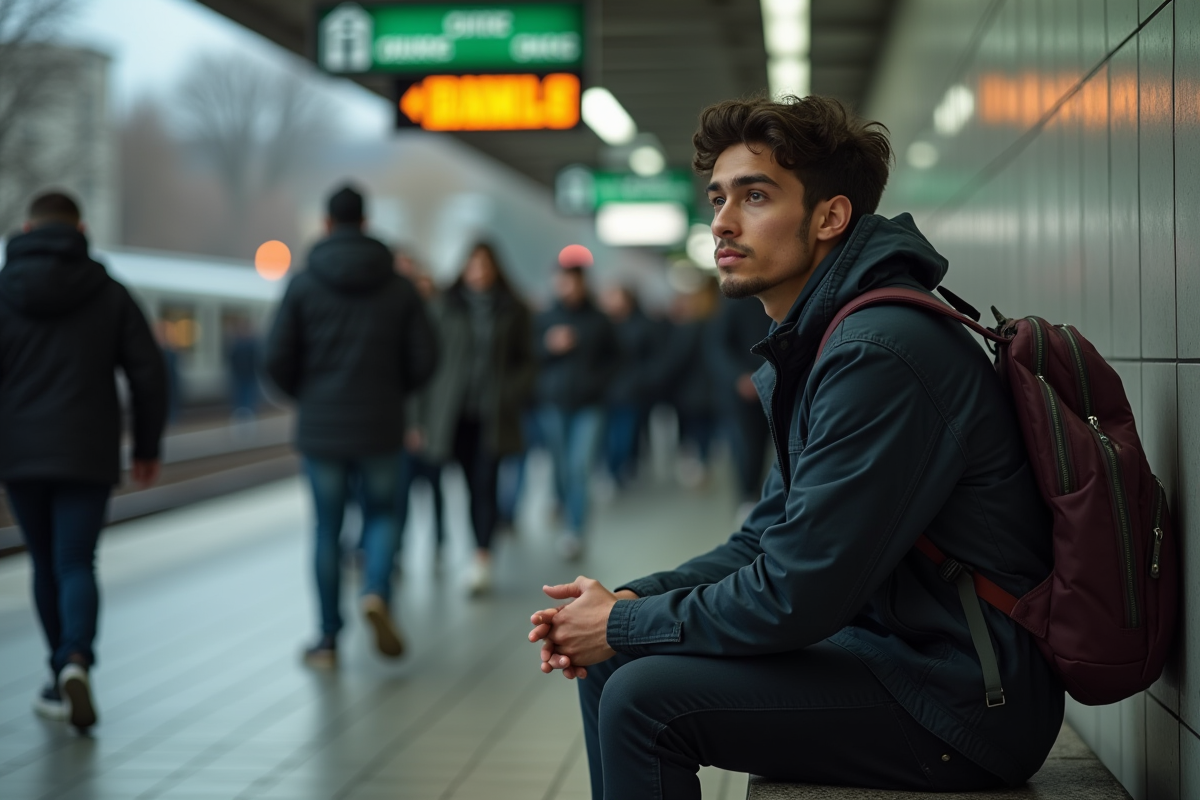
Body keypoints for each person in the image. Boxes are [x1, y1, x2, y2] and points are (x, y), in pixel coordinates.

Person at [528, 95, 1063, 799]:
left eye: (755, 196)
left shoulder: (880, 353)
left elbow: (796, 593)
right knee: (614, 664)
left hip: (967, 700)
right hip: (899, 653)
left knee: (643, 698)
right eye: (718, 197)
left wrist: (625, 622)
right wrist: (626, 602)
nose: (722, 220)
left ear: (830, 217)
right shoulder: (830, 341)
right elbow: (767, 540)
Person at [0, 191, 168, 732]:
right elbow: (148, 374)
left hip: (20, 451)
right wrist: (146, 446)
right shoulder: (109, 290)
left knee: (44, 563)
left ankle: (59, 670)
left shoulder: (4, 289)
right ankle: (76, 659)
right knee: (77, 560)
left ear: (27, 227)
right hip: (86, 448)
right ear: (82, 228)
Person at [265, 184, 437, 668]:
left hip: (323, 428)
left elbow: (275, 358)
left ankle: (326, 639)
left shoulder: (303, 283)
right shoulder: (399, 286)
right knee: (383, 513)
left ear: (326, 224)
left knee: (327, 528)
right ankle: (376, 589)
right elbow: (427, 358)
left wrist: (311, 396)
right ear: (366, 223)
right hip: (381, 423)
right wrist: (394, 391)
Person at [407, 242, 535, 595]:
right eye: (473, 266)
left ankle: (481, 557)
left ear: (495, 269)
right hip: (453, 414)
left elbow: (528, 359)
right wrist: (417, 418)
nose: (479, 273)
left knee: (485, 483)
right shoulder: (444, 309)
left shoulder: (512, 309)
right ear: (464, 269)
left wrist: (511, 391)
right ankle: (450, 545)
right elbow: (425, 366)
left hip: (492, 414)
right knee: (461, 483)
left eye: (485, 266)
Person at [534, 262, 620, 560]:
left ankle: (575, 530)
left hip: (590, 404)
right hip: (554, 403)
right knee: (560, 465)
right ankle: (560, 500)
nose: (568, 287)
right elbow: (529, 356)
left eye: (573, 282)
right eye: (563, 281)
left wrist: (600, 384)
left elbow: (617, 358)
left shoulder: (598, 320)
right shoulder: (545, 318)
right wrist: (548, 346)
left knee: (579, 466)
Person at [711, 294, 772, 522]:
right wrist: (739, 378)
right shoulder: (735, 302)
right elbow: (718, 346)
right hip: (745, 392)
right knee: (748, 448)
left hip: (778, 384)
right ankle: (749, 497)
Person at [598, 285, 656, 490]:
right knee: (606, 437)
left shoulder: (642, 325)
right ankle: (613, 470)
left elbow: (654, 357)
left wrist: (643, 379)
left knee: (625, 436)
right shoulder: (601, 325)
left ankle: (620, 468)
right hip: (604, 390)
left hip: (632, 390)